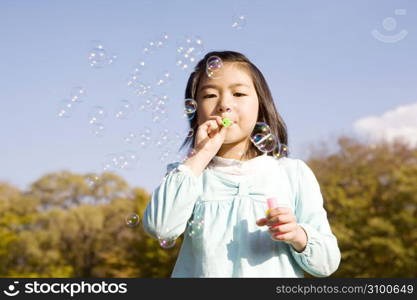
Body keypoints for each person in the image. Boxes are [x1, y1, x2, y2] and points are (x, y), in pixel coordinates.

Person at [142, 50, 341, 277]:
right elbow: (160, 228)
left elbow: (327, 264)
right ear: (195, 111)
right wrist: (201, 154)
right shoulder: (189, 174)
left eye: (238, 93)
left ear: (261, 105)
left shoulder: (292, 174)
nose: (224, 104)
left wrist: (298, 235)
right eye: (209, 96)